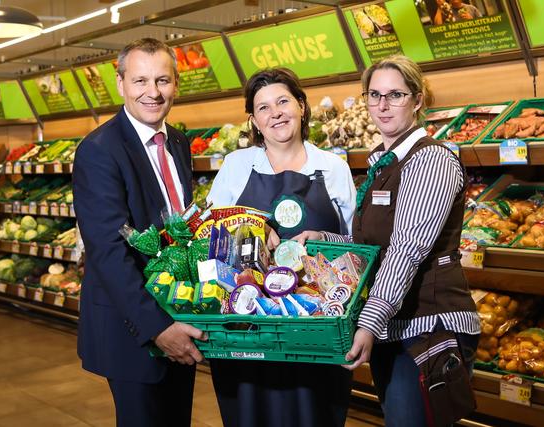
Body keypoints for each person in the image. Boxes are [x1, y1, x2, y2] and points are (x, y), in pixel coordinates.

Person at [294, 55, 480, 426]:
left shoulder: (430, 162)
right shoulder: (384, 161)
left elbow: (407, 249)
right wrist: (325, 239)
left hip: (429, 329)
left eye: (395, 94)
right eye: (373, 95)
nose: (382, 105)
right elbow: (373, 245)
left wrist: (368, 323)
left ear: (417, 100)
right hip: (395, 329)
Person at [206, 67, 356, 427]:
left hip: (316, 325)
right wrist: (250, 228)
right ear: (254, 121)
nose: (275, 113)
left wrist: (324, 239)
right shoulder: (236, 165)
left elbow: (356, 244)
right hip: (249, 322)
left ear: (301, 106)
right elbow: (208, 235)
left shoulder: (333, 168)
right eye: (263, 108)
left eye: (283, 101)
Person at [73, 38, 207, 427]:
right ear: (120, 84)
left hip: (179, 314)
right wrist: (158, 327)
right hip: (134, 327)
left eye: (163, 80)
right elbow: (108, 251)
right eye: (141, 81)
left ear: (176, 84)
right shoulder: (99, 150)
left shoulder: (178, 142)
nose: (153, 92)